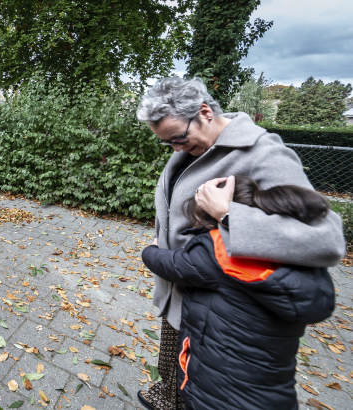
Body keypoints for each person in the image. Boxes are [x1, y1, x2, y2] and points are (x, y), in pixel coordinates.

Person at [134, 77, 346, 410]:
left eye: (178, 138)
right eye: (167, 144)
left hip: (222, 308)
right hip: (186, 291)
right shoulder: (193, 145)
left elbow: (327, 239)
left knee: (198, 385)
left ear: (204, 112)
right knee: (173, 371)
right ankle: (167, 395)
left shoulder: (264, 153)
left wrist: (229, 215)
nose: (175, 148)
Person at [141, 175, 335, 409]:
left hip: (215, 389)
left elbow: (172, 264)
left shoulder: (218, 252)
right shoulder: (294, 260)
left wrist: (150, 250)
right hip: (271, 393)